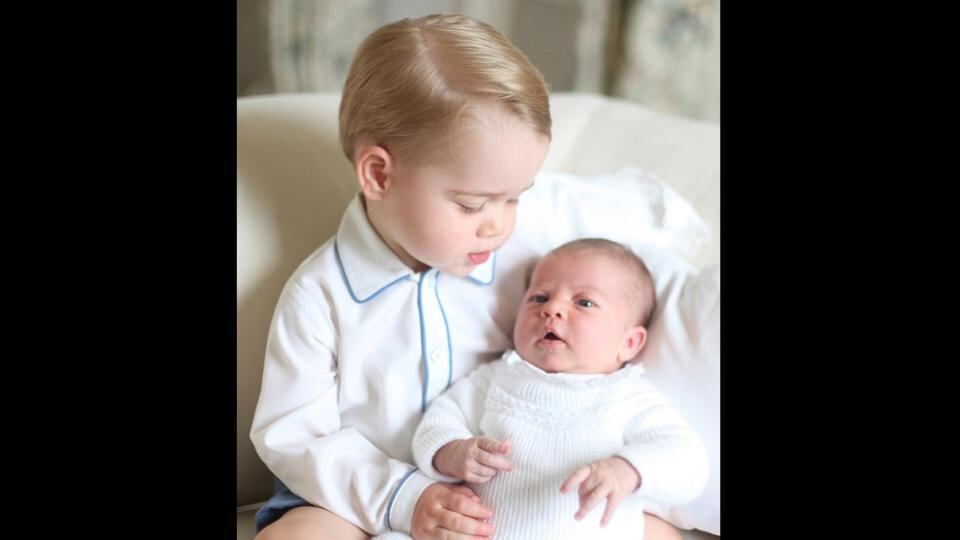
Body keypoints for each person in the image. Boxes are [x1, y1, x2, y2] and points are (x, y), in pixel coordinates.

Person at [251, 14, 684, 540]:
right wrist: (405, 498)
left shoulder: (529, 249)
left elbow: (629, 217)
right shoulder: (319, 296)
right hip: (354, 496)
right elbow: (295, 436)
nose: (497, 224)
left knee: (653, 527)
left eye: (515, 198)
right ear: (379, 175)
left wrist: (675, 222)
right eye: (472, 204)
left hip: (509, 492)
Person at [407, 239, 708, 539]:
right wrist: (452, 452)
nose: (553, 309)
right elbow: (437, 422)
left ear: (628, 343)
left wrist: (629, 469)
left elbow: (688, 463)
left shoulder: (629, 397)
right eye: (539, 297)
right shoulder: (497, 377)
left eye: (584, 302)